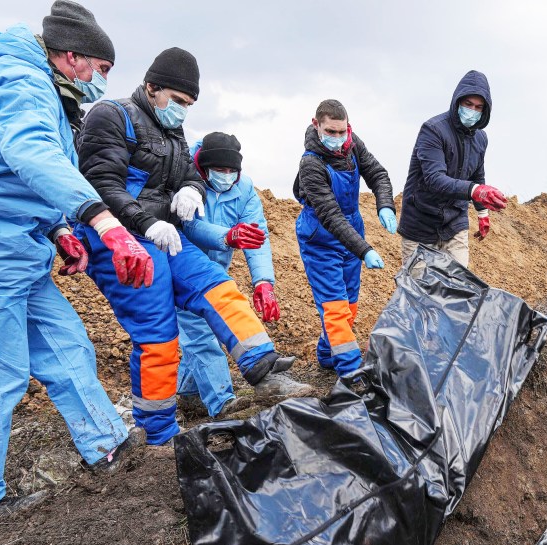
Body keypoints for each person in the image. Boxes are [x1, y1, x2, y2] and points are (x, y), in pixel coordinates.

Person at [0, 1, 154, 520]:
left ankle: (108, 445)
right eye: (100, 70)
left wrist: (62, 229)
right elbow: (28, 153)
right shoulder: (21, 79)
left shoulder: (49, 97)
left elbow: (20, 178)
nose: (101, 82)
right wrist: (103, 221)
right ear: (71, 57)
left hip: (18, 249)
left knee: (67, 346)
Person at [76, 48, 308, 447]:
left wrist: (189, 188)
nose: (183, 111)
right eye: (179, 101)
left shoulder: (171, 132)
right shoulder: (111, 115)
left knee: (218, 286)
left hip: (166, 235)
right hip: (120, 238)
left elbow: (188, 172)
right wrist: (146, 222)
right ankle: (160, 434)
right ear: (152, 88)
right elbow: (100, 183)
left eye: (189, 105)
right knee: (159, 335)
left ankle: (264, 371)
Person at [178, 132, 304, 417]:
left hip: (215, 271)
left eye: (231, 171)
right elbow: (187, 226)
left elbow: (258, 236)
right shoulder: (186, 180)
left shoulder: (243, 188)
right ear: (203, 166)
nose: (225, 176)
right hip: (183, 270)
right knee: (199, 335)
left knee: (203, 330)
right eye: (218, 170)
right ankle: (222, 404)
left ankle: (188, 395)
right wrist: (227, 236)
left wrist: (263, 282)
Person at [294, 99, 396, 378]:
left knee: (349, 304)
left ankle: (327, 354)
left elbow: (377, 173)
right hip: (321, 238)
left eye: (342, 132)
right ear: (317, 125)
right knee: (335, 308)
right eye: (331, 132)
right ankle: (351, 373)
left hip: (351, 229)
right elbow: (329, 214)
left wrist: (384, 203)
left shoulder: (353, 144)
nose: (338, 139)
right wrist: (364, 250)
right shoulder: (310, 164)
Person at [398, 70, 507, 268]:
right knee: (420, 293)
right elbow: (434, 179)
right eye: (468, 104)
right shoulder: (433, 130)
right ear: (457, 101)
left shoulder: (481, 138)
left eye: (478, 107)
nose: (472, 110)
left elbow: (477, 175)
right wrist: (475, 191)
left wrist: (482, 213)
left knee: (458, 288)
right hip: (421, 221)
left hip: (455, 221)